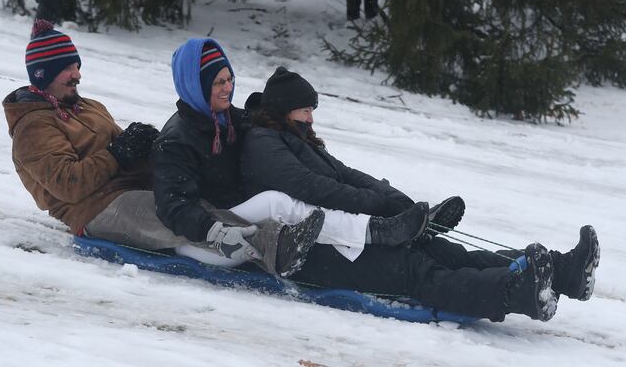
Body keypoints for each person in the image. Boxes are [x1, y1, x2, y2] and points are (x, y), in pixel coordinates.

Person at [240, 67, 601, 322]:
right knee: (415, 270)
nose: (311, 119)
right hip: (312, 249)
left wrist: (395, 199)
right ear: (284, 111)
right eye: (306, 110)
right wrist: (382, 210)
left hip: (350, 232)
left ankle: (563, 272)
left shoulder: (295, 138)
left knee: (442, 251)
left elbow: (346, 174)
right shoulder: (263, 144)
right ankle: (518, 292)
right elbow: (312, 188)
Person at [2, 21, 315, 277]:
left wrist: (154, 148)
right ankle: (274, 246)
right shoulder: (33, 127)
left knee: (191, 204)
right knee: (177, 219)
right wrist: (118, 153)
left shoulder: (87, 106)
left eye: (76, 65)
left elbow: (123, 145)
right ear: (42, 74)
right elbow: (68, 184)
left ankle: (281, 235)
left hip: (130, 188)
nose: (77, 74)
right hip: (94, 208)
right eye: (66, 68)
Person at [151, 39, 462, 267]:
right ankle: (378, 231)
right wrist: (213, 231)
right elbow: (173, 206)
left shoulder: (230, 119)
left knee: (291, 198)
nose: (227, 88)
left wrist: (386, 197)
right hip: (205, 238)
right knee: (278, 201)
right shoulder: (176, 140)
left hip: (239, 216)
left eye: (230, 79)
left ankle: (394, 221)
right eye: (218, 82)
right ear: (196, 83)